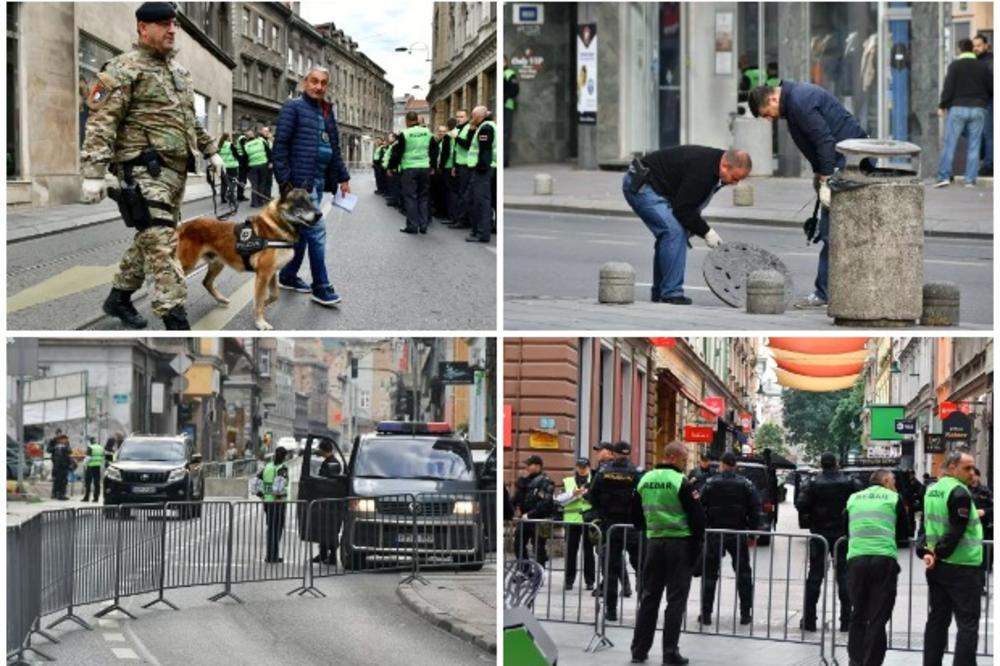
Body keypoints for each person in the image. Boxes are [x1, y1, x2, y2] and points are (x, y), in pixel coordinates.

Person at [81, 1, 224, 331]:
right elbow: (101, 121)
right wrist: (93, 172)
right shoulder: (121, 68)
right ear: (143, 28)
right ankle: (176, 324)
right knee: (162, 244)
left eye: (173, 23)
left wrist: (211, 150)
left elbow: (191, 121)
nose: (172, 29)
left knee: (150, 236)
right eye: (163, 24)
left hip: (175, 175)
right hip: (142, 172)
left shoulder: (180, 74)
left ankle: (118, 297)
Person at [747, 80, 868, 309]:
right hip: (845, 160)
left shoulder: (799, 102)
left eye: (768, 114)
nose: (771, 119)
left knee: (830, 233)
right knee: (838, 233)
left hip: (844, 163)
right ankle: (839, 291)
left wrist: (825, 177)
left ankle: (824, 293)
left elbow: (823, 140)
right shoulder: (796, 99)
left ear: (773, 99)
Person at [622, 147, 750, 304]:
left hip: (659, 187)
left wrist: (692, 226)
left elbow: (690, 203)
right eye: (735, 178)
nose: (735, 183)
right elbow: (683, 210)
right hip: (642, 186)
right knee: (673, 232)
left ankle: (660, 292)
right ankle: (671, 294)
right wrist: (706, 232)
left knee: (673, 235)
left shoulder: (717, 164)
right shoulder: (702, 171)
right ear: (725, 166)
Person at [274, 65, 350, 308]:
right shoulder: (293, 107)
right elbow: (280, 147)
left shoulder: (327, 112)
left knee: (302, 235)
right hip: (299, 185)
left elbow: (334, 149)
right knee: (316, 232)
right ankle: (321, 287)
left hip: (317, 181)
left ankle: (287, 275)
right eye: (314, 81)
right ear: (305, 83)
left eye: (323, 83)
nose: (319, 87)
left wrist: (343, 177)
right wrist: (286, 184)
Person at [630, 441, 705, 665]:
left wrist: (652, 528)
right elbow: (698, 518)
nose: (685, 465)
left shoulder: (644, 479)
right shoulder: (680, 482)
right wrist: (697, 547)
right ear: (673, 457)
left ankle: (639, 650)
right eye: (683, 460)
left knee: (649, 598)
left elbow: (634, 516)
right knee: (675, 601)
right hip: (679, 545)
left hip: (654, 544)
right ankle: (670, 652)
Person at [918, 451, 984, 666]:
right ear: (952, 467)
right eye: (967, 468)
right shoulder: (959, 492)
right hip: (963, 566)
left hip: (938, 568)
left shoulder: (932, 490)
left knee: (938, 619)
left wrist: (927, 552)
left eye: (973, 468)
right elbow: (957, 529)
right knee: (967, 623)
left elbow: (925, 527)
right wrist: (940, 552)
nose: (972, 472)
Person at [843, 469, 909, 666]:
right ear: (887, 480)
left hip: (856, 560)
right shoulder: (893, 497)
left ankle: (855, 661)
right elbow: (904, 532)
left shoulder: (853, 498)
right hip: (883, 561)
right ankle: (872, 662)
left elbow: (845, 527)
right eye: (894, 481)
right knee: (878, 617)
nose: (895, 484)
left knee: (858, 614)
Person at [795, 451, 862, 632]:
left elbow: (801, 504)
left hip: (820, 534)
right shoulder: (850, 482)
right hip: (842, 534)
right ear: (837, 464)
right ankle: (846, 621)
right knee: (844, 576)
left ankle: (809, 621)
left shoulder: (813, 483)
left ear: (821, 464)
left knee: (815, 577)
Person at [699, 451, 761, 626]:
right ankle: (745, 614)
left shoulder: (710, 483)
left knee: (710, 574)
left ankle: (706, 614)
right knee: (743, 574)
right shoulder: (746, 484)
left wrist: (704, 529)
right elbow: (755, 510)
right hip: (737, 533)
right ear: (735, 466)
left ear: (722, 465)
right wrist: (752, 533)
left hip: (715, 533)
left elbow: (700, 507)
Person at [586, 441, 643, 620]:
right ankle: (643, 608)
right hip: (632, 526)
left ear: (614, 453)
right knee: (641, 567)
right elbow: (644, 498)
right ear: (629, 453)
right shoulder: (637, 473)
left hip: (609, 526)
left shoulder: (603, 473)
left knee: (610, 570)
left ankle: (611, 611)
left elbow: (592, 497)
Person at [934, 38, 992, 189]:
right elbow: (991, 88)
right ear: (972, 49)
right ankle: (970, 180)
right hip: (978, 108)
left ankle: (944, 176)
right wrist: (984, 102)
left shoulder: (955, 66)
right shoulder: (983, 66)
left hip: (958, 108)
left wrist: (942, 105)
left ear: (960, 49)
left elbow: (948, 87)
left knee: (950, 143)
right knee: (974, 145)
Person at [388, 111, 433, 234]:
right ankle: (424, 225)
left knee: (410, 197)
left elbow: (397, 152)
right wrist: (433, 165)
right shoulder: (427, 132)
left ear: (407, 121)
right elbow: (434, 149)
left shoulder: (405, 134)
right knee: (424, 197)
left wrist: (391, 167)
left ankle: (413, 225)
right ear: (417, 120)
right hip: (424, 167)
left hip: (409, 169)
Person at [512, 455, 556, 567]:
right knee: (518, 544)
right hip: (524, 519)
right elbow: (516, 499)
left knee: (538, 548)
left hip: (538, 519)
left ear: (538, 466)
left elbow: (546, 503)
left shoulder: (545, 482)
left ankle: (539, 575)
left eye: (529, 465)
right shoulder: (525, 481)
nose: (526, 467)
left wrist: (530, 514)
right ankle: (524, 571)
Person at [561, 458, 596, 591]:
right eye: (579, 467)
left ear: (588, 467)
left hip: (588, 519)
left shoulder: (594, 480)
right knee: (570, 552)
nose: (582, 469)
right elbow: (560, 500)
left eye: (584, 467)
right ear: (576, 467)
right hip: (571, 520)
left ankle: (590, 581)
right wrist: (573, 494)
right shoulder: (568, 481)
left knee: (589, 552)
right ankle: (569, 581)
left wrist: (587, 495)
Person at [464, 106, 496, 243]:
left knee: (482, 202)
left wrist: (481, 168)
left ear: (478, 116)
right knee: (479, 201)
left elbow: (485, 151)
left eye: (473, 116)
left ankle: (482, 234)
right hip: (486, 168)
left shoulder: (486, 128)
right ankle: (478, 231)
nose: (472, 119)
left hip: (484, 169)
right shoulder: (486, 126)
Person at [256, 446, 290, 563]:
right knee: (277, 530)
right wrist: (278, 495)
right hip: (278, 503)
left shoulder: (267, 467)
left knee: (271, 529)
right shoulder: (282, 468)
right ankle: (273, 556)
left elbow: (256, 481)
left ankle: (269, 555)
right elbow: (279, 488)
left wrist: (262, 495)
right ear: (285, 456)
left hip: (267, 503)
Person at [314, 439, 341, 565]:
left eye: (320, 449)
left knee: (331, 530)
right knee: (324, 529)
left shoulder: (333, 463)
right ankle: (323, 553)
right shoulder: (328, 461)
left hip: (332, 503)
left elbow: (330, 482)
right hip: (325, 501)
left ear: (324, 450)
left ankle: (333, 556)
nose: (319, 451)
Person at [972, 34, 993, 176]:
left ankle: (989, 165)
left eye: (979, 45)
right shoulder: (975, 60)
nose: (976, 48)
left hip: (988, 101)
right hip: (978, 102)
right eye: (974, 46)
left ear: (986, 45)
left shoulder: (990, 61)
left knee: (988, 134)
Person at [450, 109, 474, 230]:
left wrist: (457, 137)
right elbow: (456, 149)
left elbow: (468, 145)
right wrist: (454, 165)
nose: (459, 118)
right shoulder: (458, 129)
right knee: (459, 192)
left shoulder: (469, 128)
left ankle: (463, 220)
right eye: (457, 116)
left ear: (467, 117)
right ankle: (458, 218)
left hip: (467, 165)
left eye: (461, 116)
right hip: (459, 164)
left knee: (464, 194)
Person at [244, 128, 271, 206]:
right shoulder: (261, 141)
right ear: (254, 135)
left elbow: (245, 158)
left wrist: (246, 169)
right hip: (263, 165)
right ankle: (260, 201)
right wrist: (269, 162)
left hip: (253, 166)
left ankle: (254, 203)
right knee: (262, 183)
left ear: (247, 137)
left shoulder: (246, 145)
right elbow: (268, 152)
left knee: (254, 185)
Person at [429, 125, 451, 220]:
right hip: (437, 169)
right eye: (440, 131)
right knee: (436, 191)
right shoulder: (437, 141)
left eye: (443, 131)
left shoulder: (447, 141)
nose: (441, 133)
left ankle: (443, 212)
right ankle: (437, 210)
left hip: (444, 168)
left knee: (443, 192)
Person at [503, 55, 519, 168]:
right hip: (505, 106)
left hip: (507, 106)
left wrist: (504, 99)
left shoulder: (509, 73)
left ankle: (505, 160)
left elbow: (514, 90)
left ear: (506, 62)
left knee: (505, 134)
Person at [216, 133, 240, 204]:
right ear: (228, 137)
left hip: (223, 167)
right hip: (232, 166)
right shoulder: (231, 145)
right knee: (233, 182)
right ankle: (231, 196)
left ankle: (223, 198)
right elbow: (236, 155)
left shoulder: (219, 146)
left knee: (224, 183)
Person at [51, 434, 73, 501]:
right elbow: (61, 457)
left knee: (62, 481)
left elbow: (69, 453)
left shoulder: (63, 446)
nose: (66, 440)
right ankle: (60, 494)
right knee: (61, 481)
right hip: (61, 466)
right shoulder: (60, 447)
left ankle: (60, 494)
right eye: (65, 439)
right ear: (61, 440)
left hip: (63, 466)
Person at [81, 437, 104, 503]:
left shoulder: (90, 447)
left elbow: (88, 457)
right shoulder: (100, 447)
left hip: (90, 466)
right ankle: (96, 498)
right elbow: (103, 456)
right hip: (98, 466)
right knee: (96, 482)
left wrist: (84, 464)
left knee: (88, 482)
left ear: (90, 441)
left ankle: (86, 497)